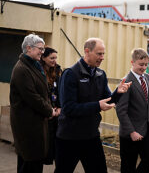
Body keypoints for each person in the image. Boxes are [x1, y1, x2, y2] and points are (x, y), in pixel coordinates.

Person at [55, 37, 132, 173]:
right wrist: (97, 106)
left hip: (91, 135)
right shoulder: (70, 74)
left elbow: (107, 100)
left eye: (103, 54)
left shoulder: (100, 74)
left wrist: (118, 93)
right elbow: (68, 108)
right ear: (87, 51)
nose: (102, 57)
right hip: (69, 137)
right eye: (99, 53)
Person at [10, 34, 57, 173]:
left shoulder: (34, 65)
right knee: (30, 163)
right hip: (28, 126)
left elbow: (43, 91)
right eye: (40, 49)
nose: (42, 52)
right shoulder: (22, 69)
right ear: (29, 48)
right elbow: (33, 97)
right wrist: (50, 111)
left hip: (35, 123)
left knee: (31, 162)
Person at [116, 48, 149, 173]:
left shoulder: (147, 78)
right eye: (141, 64)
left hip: (147, 128)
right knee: (128, 166)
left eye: (146, 64)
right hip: (131, 132)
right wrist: (132, 132)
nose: (144, 67)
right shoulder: (125, 82)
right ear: (132, 62)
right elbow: (121, 111)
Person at [40, 47, 62, 165]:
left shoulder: (58, 70)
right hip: (46, 110)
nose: (55, 61)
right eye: (51, 58)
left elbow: (61, 90)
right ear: (43, 58)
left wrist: (59, 107)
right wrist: (49, 109)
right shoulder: (38, 71)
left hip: (57, 110)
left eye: (56, 58)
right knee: (46, 138)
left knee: (57, 138)